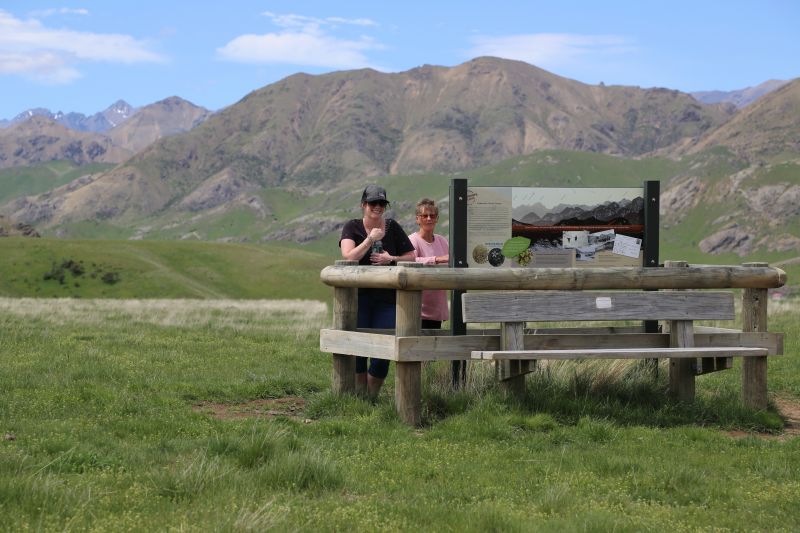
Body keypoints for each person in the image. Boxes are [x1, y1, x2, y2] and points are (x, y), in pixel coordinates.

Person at [339, 185, 415, 399]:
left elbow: (411, 256)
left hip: (387, 299)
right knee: (358, 348)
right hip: (358, 299)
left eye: (382, 203)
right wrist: (370, 239)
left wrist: (391, 258)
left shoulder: (393, 227)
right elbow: (348, 256)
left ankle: (372, 397)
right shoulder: (352, 227)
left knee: (384, 350)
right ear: (363, 205)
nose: (378, 207)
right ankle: (359, 396)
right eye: (373, 203)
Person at [408, 198, 449, 329]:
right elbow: (410, 260)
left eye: (432, 215)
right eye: (424, 216)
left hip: (437, 310)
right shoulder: (412, 240)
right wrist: (436, 259)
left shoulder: (442, 241)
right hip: (417, 309)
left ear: (437, 218)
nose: (429, 219)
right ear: (417, 219)